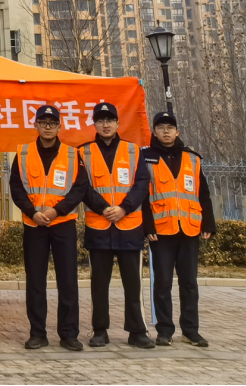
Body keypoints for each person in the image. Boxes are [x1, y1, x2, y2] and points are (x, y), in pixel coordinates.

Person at [11, 104, 87, 351]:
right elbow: (16, 188)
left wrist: (57, 211)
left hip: (63, 224)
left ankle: (69, 334)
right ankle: (37, 333)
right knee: (35, 281)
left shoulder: (73, 154)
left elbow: (79, 188)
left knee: (68, 280)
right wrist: (32, 212)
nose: (47, 127)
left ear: (59, 127)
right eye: (43, 123)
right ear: (35, 125)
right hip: (34, 224)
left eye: (52, 123)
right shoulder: (23, 153)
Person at [79, 102, 154, 349]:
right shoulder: (84, 152)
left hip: (129, 226)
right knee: (99, 285)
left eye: (110, 120)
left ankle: (137, 331)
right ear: (94, 124)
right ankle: (100, 330)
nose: (105, 124)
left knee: (133, 284)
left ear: (118, 123)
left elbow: (142, 184)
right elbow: (82, 187)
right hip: (99, 227)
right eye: (100, 120)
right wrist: (103, 208)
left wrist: (124, 208)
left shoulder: (133, 150)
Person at [142, 111, 215, 347]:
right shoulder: (146, 158)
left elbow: (203, 193)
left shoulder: (192, 158)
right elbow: (142, 195)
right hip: (161, 230)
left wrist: (208, 223)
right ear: (154, 132)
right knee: (163, 283)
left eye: (170, 127)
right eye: (161, 127)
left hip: (189, 229)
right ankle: (164, 330)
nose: (166, 131)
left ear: (177, 132)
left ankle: (190, 331)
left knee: (189, 283)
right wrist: (147, 225)